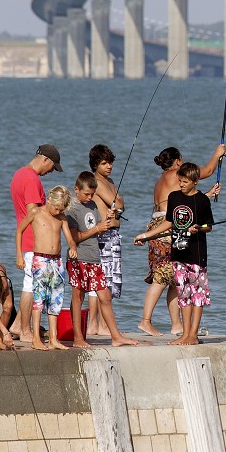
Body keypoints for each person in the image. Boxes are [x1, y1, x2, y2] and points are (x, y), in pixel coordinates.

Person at [140, 145, 223, 336]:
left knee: (175, 279)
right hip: (168, 227)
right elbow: (207, 171)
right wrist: (217, 154)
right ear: (178, 161)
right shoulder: (177, 174)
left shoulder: (162, 179)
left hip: (158, 223)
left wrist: (206, 196)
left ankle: (177, 325)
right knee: (162, 276)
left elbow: (185, 201)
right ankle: (145, 321)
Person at [65, 172, 140, 348]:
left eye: (92, 194)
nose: (90, 198)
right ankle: (77, 338)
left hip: (94, 258)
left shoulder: (92, 205)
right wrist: (97, 228)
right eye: (86, 194)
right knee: (78, 297)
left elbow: (97, 228)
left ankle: (116, 336)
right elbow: (74, 238)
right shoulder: (72, 209)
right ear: (76, 189)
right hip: (79, 259)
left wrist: (108, 219)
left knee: (105, 296)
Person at [15, 185, 76, 351]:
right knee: (39, 299)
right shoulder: (36, 213)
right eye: (56, 208)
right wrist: (20, 256)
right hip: (40, 260)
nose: (57, 211)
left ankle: (53, 339)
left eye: (61, 209)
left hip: (56, 262)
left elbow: (69, 238)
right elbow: (19, 231)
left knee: (55, 300)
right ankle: (35, 338)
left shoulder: (62, 218)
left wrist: (72, 247)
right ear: (49, 200)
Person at [10, 144, 61, 341]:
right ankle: (24, 330)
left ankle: (16, 325)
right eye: (52, 167)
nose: (51, 172)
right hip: (34, 240)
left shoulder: (19, 174)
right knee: (31, 285)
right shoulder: (32, 179)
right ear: (45, 160)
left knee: (32, 283)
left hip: (28, 239)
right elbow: (34, 212)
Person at [87, 144, 124, 337]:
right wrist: (118, 203)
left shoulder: (108, 180)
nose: (109, 166)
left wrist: (118, 203)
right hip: (104, 235)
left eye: (110, 162)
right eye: (104, 163)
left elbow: (118, 203)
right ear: (95, 164)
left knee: (107, 282)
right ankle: (97, 325)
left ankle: (98, 324)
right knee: (103, 282)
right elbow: (118, 202)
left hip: (113, 235)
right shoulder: (98, 182)